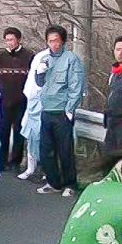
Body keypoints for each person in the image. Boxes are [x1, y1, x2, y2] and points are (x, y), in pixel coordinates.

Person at [36, 24, 85, 196]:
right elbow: (39, 84)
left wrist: (70, 109)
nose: (53, 44)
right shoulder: (45, 59)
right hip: (46, 109)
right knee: (45, 150)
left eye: (56, 40)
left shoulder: (71, 59)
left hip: (62, 111)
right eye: (50, 41)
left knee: (65, 150)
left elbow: (76, 86)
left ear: (63, 41)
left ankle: (70, 184)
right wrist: (39, 73)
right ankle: (53, 181)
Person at [0, 27, 33, 172]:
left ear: (18, 40)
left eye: (11, 39)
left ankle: (15, 161)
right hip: (4, 100)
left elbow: (32, 79)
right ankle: (1, 161)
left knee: (19, 132)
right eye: (7, 40)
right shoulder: (0, 57)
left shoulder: (28, 56)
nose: (9, 43)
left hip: (21, 101)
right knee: (2, 131)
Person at [17, 44, 50, 181]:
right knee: (31, 136)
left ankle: (47, 171)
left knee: (46, 139)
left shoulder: (65, 59)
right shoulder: (40, 56)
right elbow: (32, 80)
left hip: (49, 102)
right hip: (33, 101)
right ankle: (30, 167)